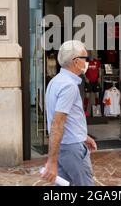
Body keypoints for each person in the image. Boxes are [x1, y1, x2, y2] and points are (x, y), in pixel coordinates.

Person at [41, 40, 97, 186]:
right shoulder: (68, 86)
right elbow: (57, 123)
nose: (88, 62)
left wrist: (82, 136)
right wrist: (51, 162)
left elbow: (66, 119)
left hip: (65, 147)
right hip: (72, 150)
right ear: (76, 61)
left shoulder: (55, 81)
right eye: (86, 59)